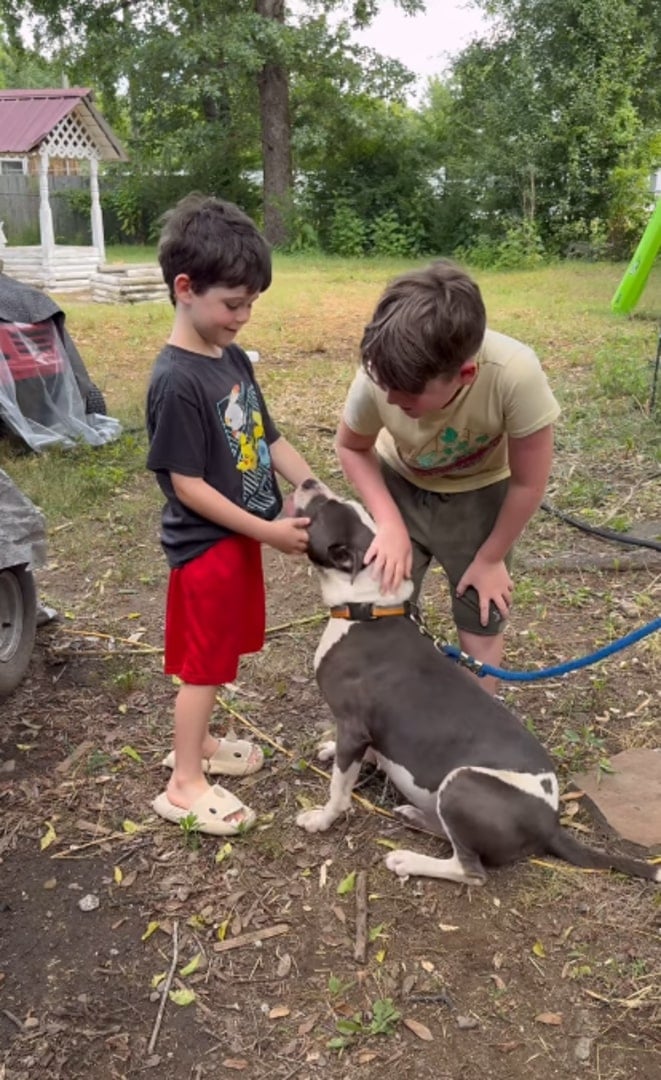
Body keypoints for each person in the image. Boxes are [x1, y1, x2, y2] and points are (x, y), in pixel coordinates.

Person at [146, 193, 314, 835]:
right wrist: (270, 531)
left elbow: (268, 439)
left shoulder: (231, 359)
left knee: (221, 655)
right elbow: (186, 485)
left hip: (239, 540)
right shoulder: (176, 380)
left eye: (251, 304)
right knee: (205, 664)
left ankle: (203, 744)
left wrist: (309, 482)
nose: (243, 317)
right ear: (185, 288)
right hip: (207, 549)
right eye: (233, 304)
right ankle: (184, 782)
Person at [335, 259, 560, 695]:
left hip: (480, 494)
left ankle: (475, 737)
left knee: (481, 611)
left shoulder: (514, 375)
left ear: (465, 375)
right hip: (398, 485)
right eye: (386, 388)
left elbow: (528, 481)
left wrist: (492, 557)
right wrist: (390, 525)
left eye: (408, 395)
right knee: (381, 605)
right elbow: (351, 446)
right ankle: (386, 730)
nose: (393, 398)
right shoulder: (379, 376)